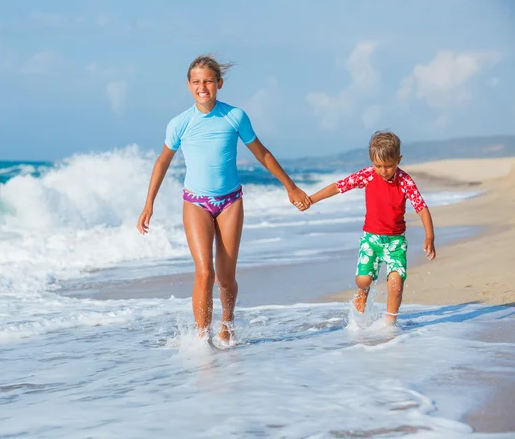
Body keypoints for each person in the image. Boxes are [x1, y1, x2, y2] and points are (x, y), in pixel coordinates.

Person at [136, 54, 311, 343]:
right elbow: (162, 161)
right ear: (188, 85)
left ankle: (227, 324)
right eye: (196, 82)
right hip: (196, 202)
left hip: (230, 202)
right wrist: (148, 204)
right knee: (204, 272)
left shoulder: (235, 116)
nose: (202, 86)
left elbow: (262, 154)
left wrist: (290, 187)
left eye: (207, 81)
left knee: (225, 279)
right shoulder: (179, 123)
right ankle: (202, 340)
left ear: (219, 83)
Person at [303, 130, 436, 324]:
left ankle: (390, 323)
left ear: (398, 160)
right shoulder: (367, 175)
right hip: (370, 239)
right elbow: (338, 187)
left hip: (395, 242)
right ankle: (363, 291)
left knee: (395, 284)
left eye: (389, 166)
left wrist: (429, 237)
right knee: (363, 280)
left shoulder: (405, 181)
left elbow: (422, 208)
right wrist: (311, 200)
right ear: (371, 160)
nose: (383, 171)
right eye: (378, 165)